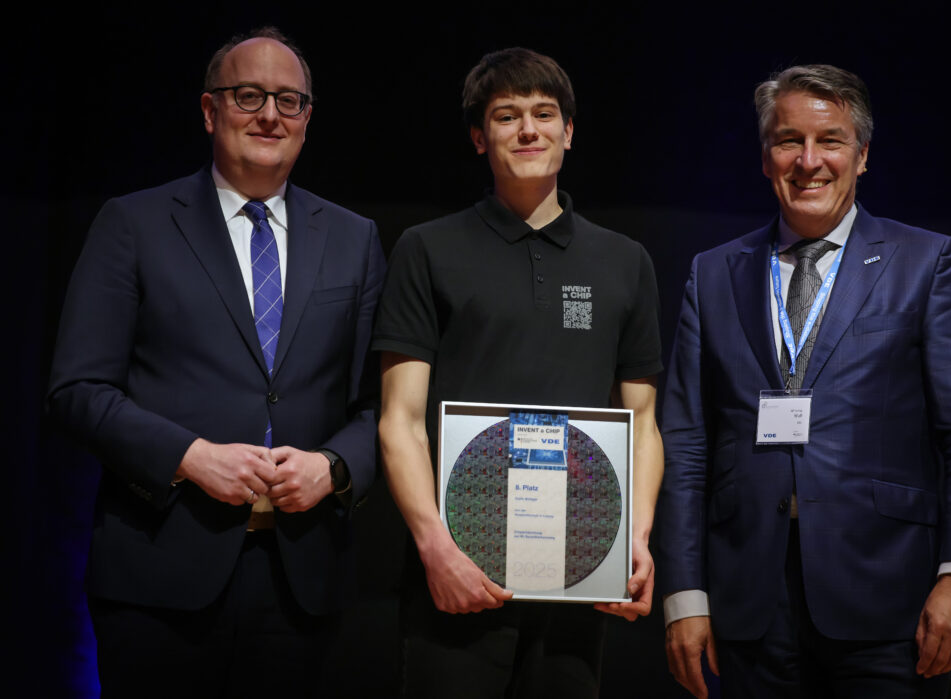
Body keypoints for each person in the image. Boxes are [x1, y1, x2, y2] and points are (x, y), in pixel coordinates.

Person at [47, 27, 384, 697]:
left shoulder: (354, 237)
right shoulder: (134, 224)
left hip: (301, 579)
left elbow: (380, 405)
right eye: (248, 95)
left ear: (308, 119)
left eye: (289, 100)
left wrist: (334, 465)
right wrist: (189, 454)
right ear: (209, 111)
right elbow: (77, 389)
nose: (269, 115)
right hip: (159, 575)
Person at [658, 64, 951, 698]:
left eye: (832, 141)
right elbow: (684, 445)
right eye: (789, 140)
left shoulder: (927, 263)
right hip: (748, 604)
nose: (809, 161)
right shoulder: (713, 274)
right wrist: (685, 591)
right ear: (766, 157)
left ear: (863, 155)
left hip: (892, 601)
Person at [373, 47, 664, 698]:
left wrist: (633, 540)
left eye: (544, 113)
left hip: (580, 574)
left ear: (569, 130)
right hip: (456, 579)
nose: (528, 129)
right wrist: (435, 551)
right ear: (480, 137)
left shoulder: (625, 261)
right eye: (507, 116)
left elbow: (643, 421)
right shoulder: (428, 248)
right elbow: (399, 419)